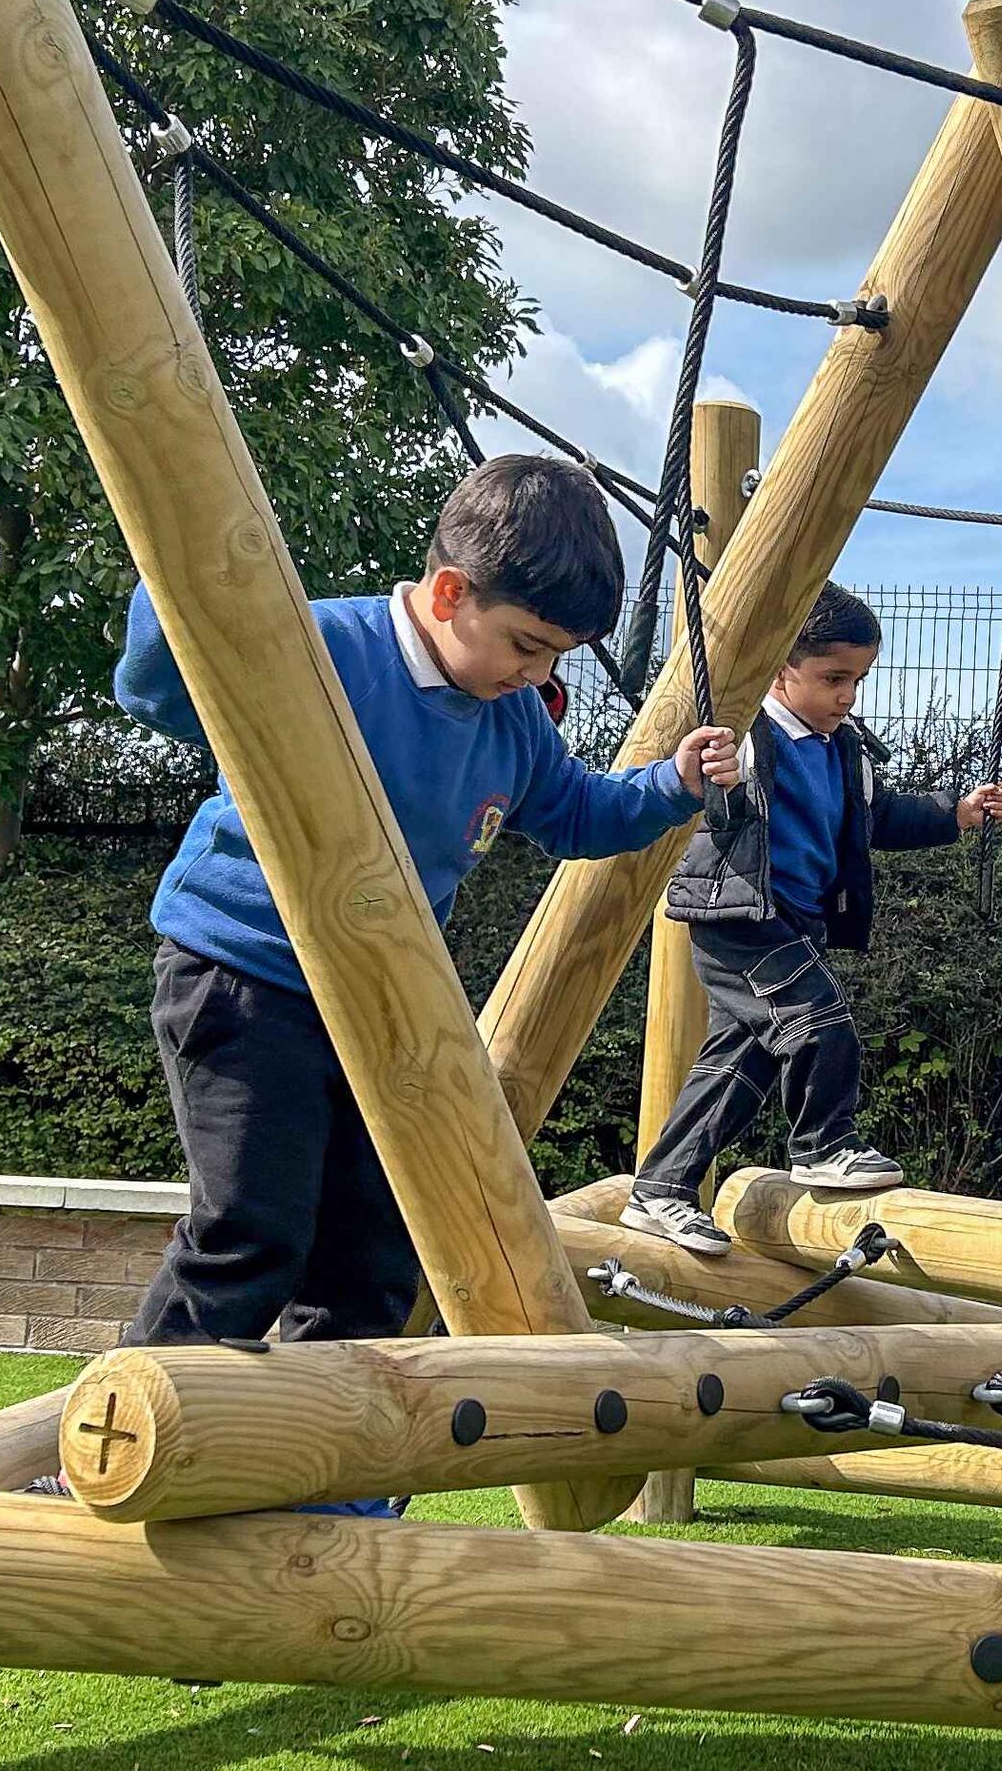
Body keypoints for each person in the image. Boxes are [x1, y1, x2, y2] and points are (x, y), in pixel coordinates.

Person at [113, 453, 737, 1405]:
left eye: (555, 657)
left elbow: (573, 814)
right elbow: (161, 690)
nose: (539, 673)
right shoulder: (326, 646)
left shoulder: (510, 717)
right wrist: (179, 565)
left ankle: (332, 1467)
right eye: (528, 645)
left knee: (376, 1248)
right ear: (450, 592)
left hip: (384, 997)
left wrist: (673, 785)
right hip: (246, 977)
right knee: (252, 1231)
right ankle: (127, 1431)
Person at [620, 582, 1002, 1253]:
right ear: (780, 670)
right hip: (740, 914)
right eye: (834, 678)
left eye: (857, 679)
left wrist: (955, 813)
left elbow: (876, 817)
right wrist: (715, 771)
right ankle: (825, 1146)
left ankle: (661, 1189)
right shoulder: (749, 736)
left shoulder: (842, 748)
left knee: (740, 1069)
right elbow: (711, 794)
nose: (848, 694)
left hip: (797, 916)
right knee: (820, 1023)